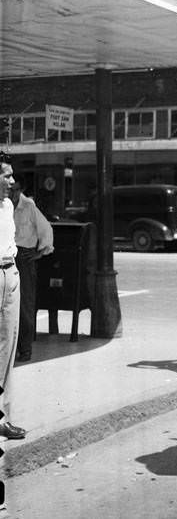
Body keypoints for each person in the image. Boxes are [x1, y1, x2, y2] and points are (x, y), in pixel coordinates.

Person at [10, 174, 54, 362]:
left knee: (25, 306)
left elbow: (46, 230)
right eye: (10, 188)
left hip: (24, 258)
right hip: (6, 255)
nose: (13, 192)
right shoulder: (2, 206)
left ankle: (25, 349)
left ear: (22, 190)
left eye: (16, 189)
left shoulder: (28, 206)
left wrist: (40, 253)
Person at [0, 154, 26, 440]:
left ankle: (4, 418)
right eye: (6, 175)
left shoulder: (8, 205)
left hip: (11, 274)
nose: (11, 181)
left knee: (7, 348)